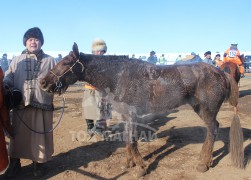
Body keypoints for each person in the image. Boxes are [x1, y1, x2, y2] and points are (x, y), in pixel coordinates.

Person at [3, 27, 56, 178]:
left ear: (41, 42)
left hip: (42, 105)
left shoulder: (50, 60)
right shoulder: (17, 60)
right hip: (21, 105)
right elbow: (9, 77)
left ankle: (39, 164)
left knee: (40, 137)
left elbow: (58, 80)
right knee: (18, 137)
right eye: (30, 39)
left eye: (37, 39)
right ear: (26, 42)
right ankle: (15, 163)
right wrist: (6, 85)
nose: (33, 42)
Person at [83, 38, 111, 138]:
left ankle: (98, 127)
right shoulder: (88, 61)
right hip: (90, 88)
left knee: (103, 108)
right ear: (93, 51)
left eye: (101, 50)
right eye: (97, 50)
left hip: (103, 89)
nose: (98, 52)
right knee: (88, 108)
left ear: (104, 51)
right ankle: (90, 127)